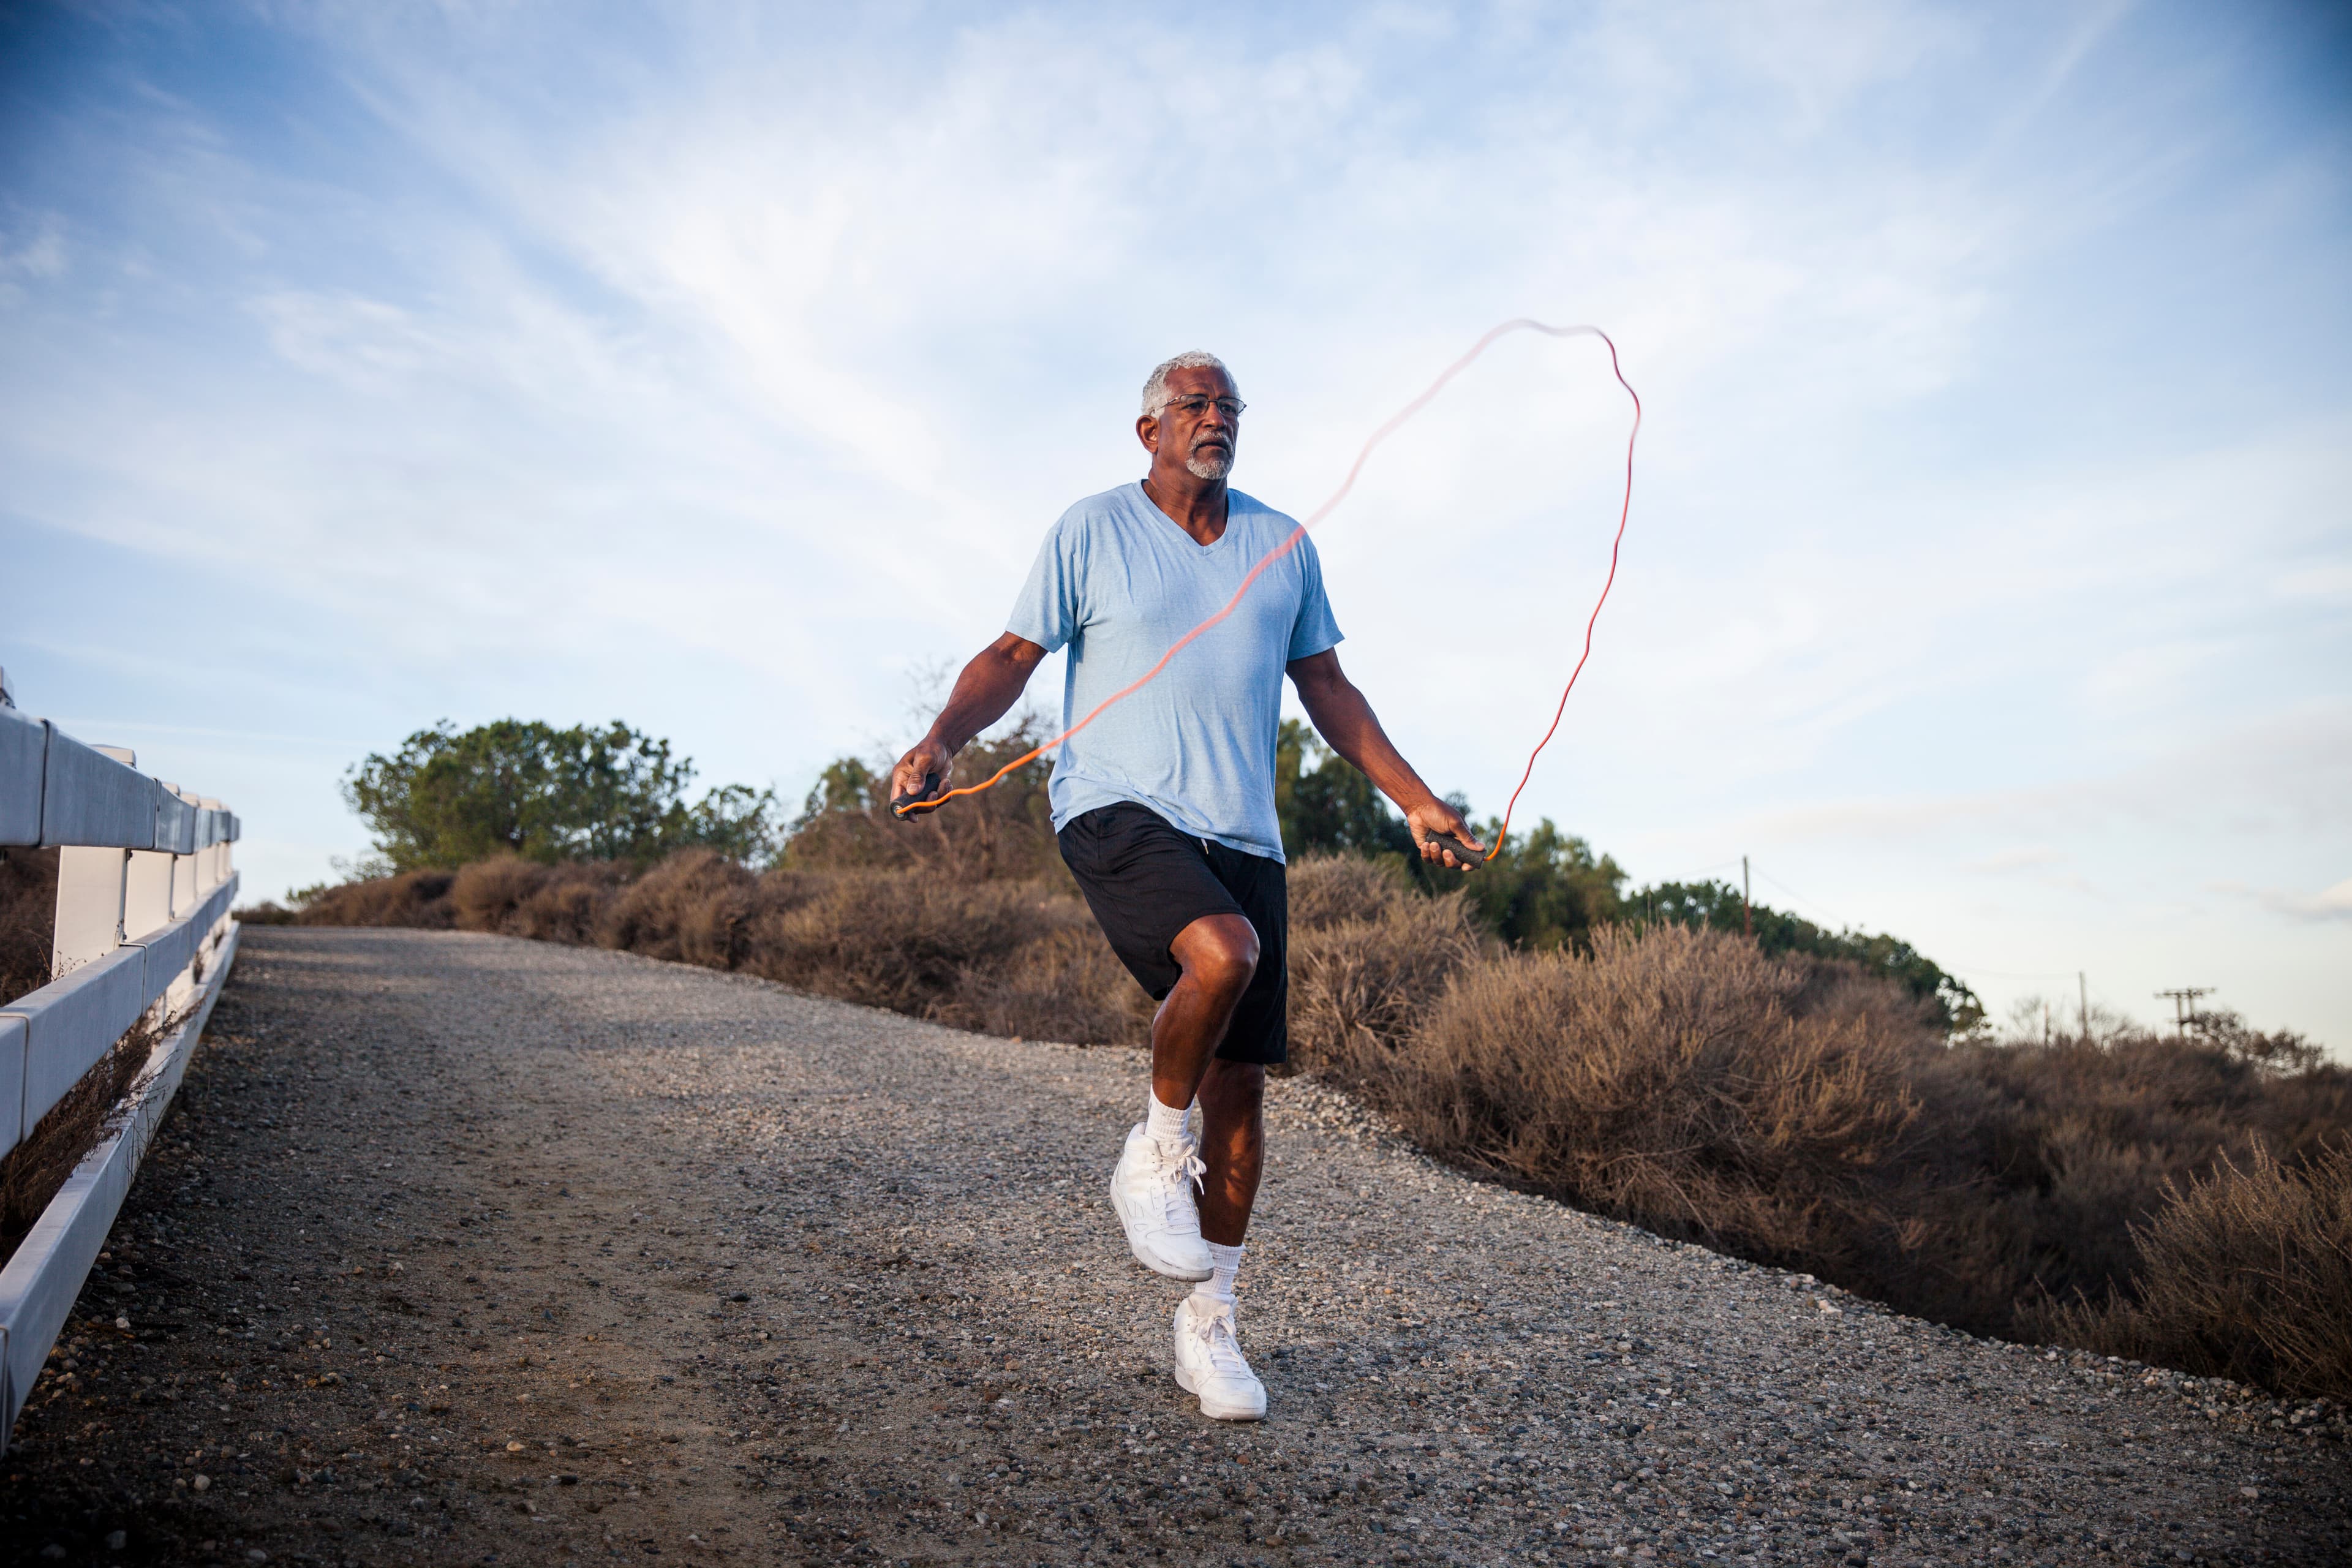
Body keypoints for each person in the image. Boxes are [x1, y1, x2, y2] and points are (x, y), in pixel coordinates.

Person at [891, 350, 1482, 1422]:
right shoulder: (1094, 528)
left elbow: (1327, 688)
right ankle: (1153, 1153)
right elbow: (1013, 653)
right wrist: (940, 737)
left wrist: (1415, 798)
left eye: (1229, 408)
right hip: (1118, 805)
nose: (1215, 420)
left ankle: (1210, 1324)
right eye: (1194, 406)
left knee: (1243, 1089)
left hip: (1246, 833)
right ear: (1149, 430)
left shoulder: (1282, 542)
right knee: (1223, 953)